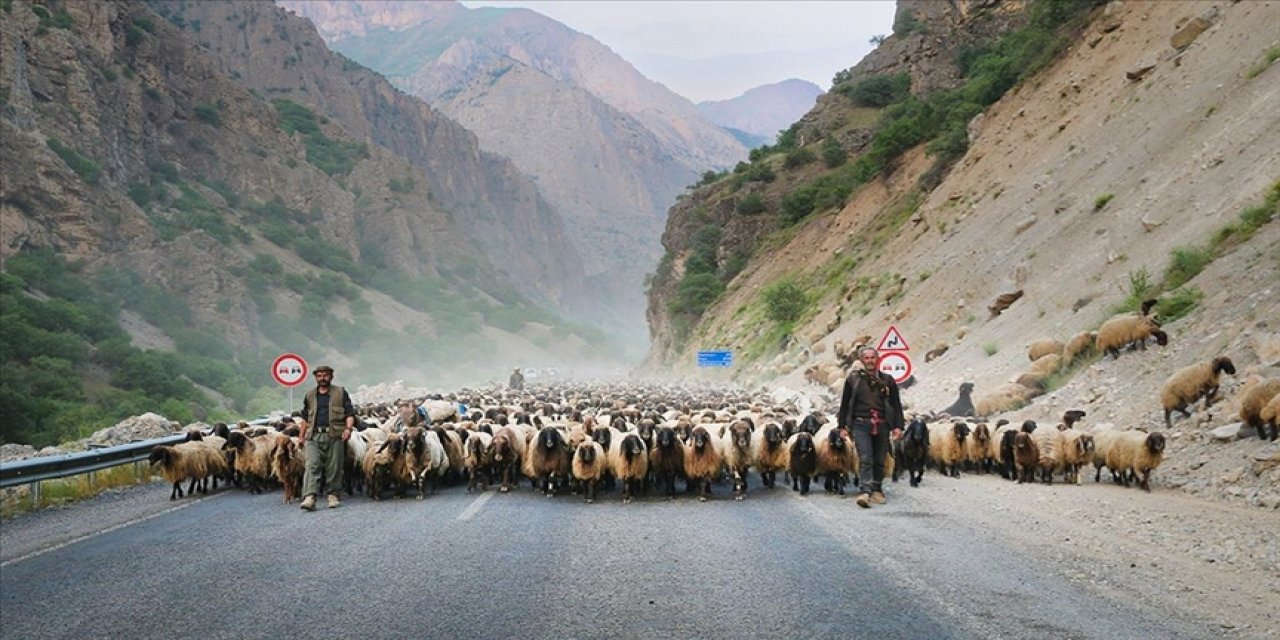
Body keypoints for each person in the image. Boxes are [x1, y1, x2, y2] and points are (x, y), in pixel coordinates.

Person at [836, 346, 905, 508]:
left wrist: (898, 426)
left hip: (882, 423)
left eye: (872, 357)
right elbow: (845, 404)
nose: (870, 361)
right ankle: (865, 491)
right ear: (861, 360)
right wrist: (842, 426)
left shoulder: (887, 380)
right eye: (866, 358)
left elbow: (896, 404)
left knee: (880, 458)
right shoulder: (853, 379)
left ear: (877, 359)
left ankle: (877, 489)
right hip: (861, 423)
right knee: (865, 457)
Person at [297, 365, 355, 511]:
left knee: (334, 466)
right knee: (312, 464)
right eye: (320, 375)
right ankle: (310, 497)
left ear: (331, 376)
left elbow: (349, 413)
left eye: (325, 375)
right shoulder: (310, 395)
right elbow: (305, 418)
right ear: (316, 377)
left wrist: (348, 429)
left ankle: (333, 495)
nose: (323, 378)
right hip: (314, 435)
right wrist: (301, 436)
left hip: (334, 434)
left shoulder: (340, 393)